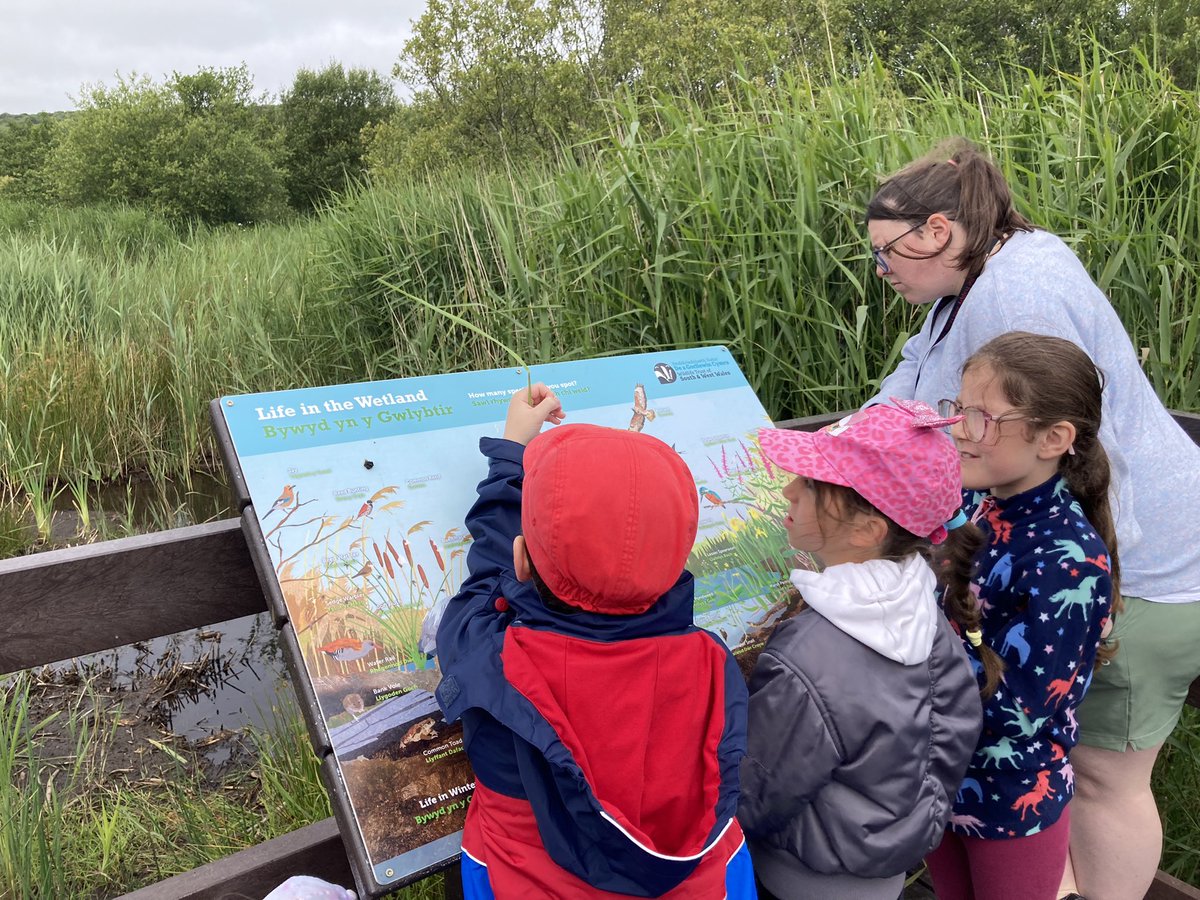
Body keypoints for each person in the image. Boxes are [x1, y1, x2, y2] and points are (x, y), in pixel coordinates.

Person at [865, 137, 1200, 900]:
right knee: (1071, 774)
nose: (883, 275)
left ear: (938, 231)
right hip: (1130, 548)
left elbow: (1072, 433)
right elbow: (918, 375)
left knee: (1103, 779)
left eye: (887, 256)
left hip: (1148, 567)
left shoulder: (1015, 296)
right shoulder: (991, 267)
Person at [434, 384, 756, 899]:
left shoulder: (492, 657)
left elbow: (484, 580)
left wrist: (511, 456)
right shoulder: (712, 662)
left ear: (521, 560)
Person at [738, 399, 983, 900]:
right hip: (886, 871)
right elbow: (953, 734)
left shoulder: (807, 653)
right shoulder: (927, 615)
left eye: (808, 485)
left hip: (799, 874)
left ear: (868, 529)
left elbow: (759, 789)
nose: (788, 489)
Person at [923, 332, 1117, 900]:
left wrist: (899, 694)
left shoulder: (1070, 560)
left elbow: (1028, 705)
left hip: (1010, 796)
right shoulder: (980, 504)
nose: (958, 429)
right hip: (941, 778)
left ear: (1054, 438)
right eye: (957, 410)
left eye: (983, 417)